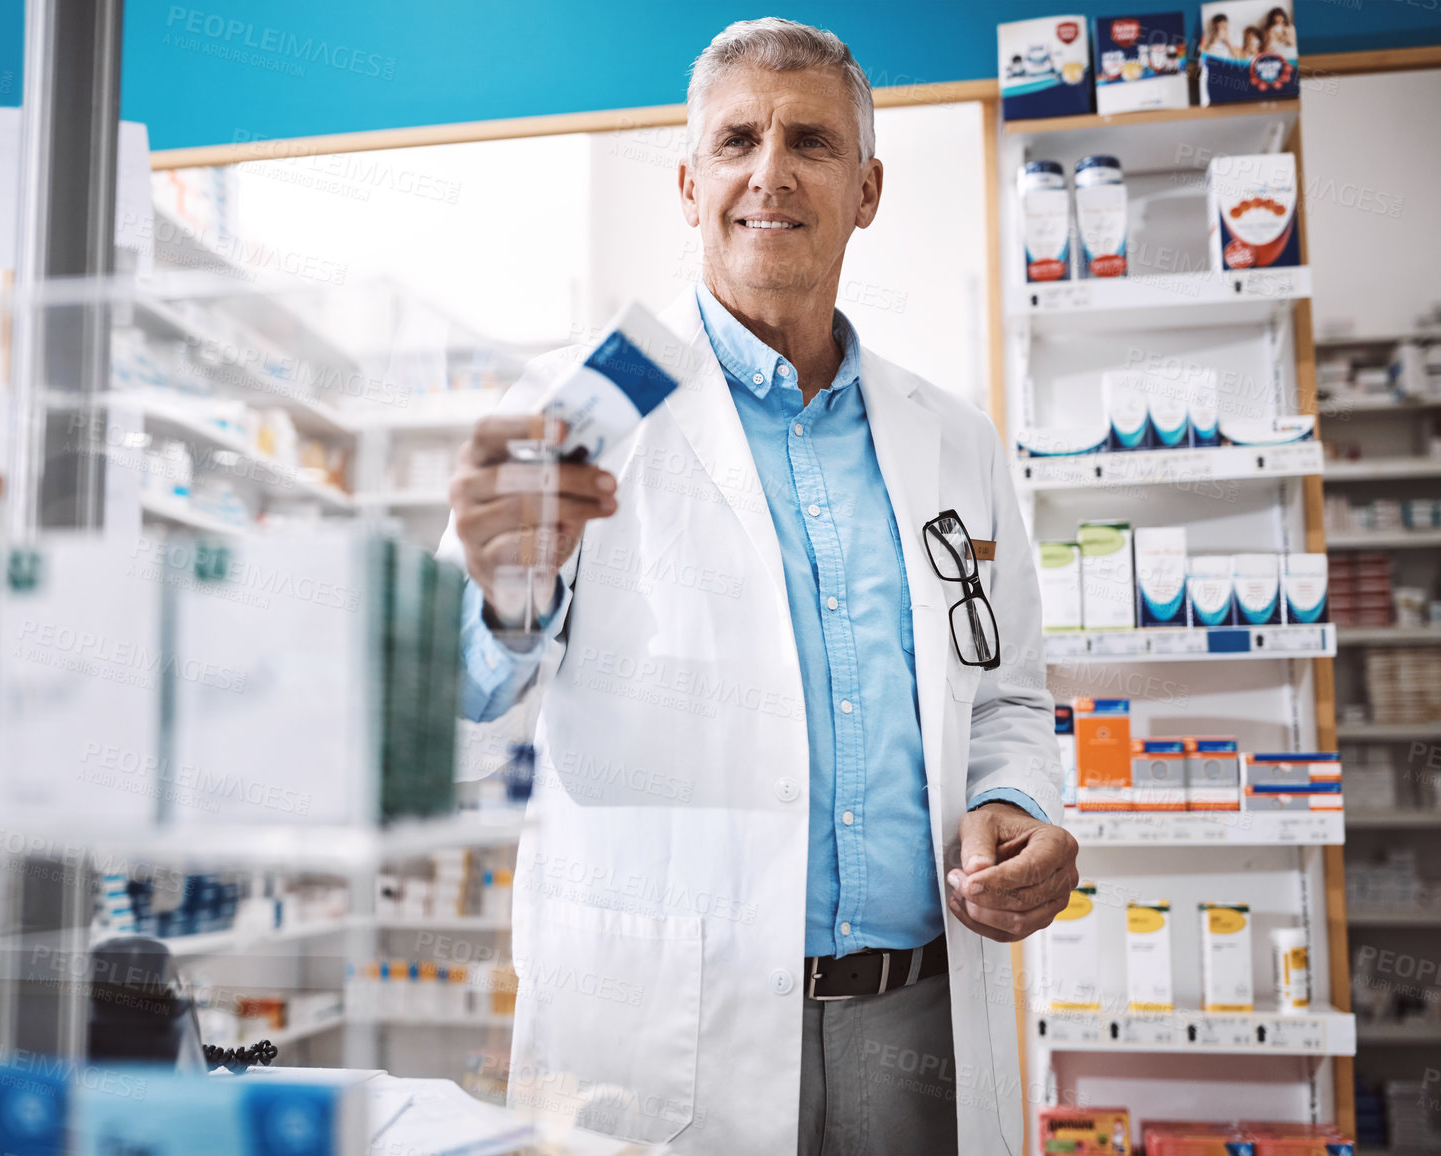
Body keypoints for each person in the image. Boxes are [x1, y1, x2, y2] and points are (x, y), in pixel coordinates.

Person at [441, 17, 1076, 1156]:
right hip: (662, 1030)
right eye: (736, 141)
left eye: (811, 143)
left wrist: (1019, 804)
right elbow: (464, 704)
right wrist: (502, 591)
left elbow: (1008, 699)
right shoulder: (578, 413)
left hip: (913, 1019)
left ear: (867, 188)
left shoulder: (955, 440)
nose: (768, 172)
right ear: (689, 184)